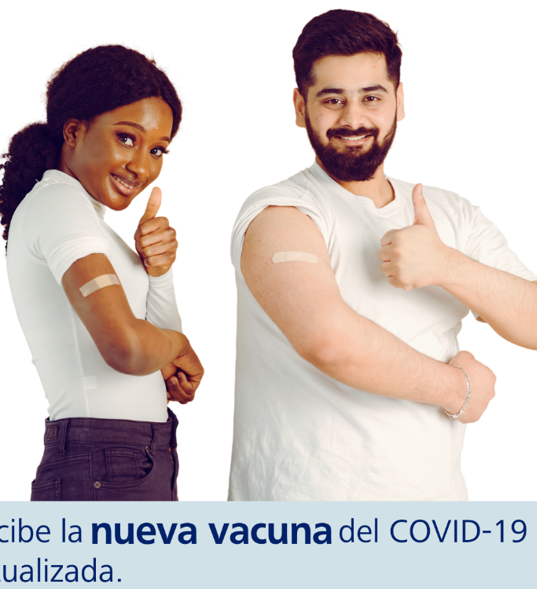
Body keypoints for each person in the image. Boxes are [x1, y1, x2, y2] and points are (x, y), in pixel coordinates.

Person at [229, 10, 536, 501]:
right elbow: (328, 341)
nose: (354, 119)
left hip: (433, 526)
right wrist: (460, 391)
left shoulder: (449, 211)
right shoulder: (279, 213)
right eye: (332, 100)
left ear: (399, 100)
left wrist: (447, 265)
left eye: (371, 97)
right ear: (299, 106)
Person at [0, 46, 202, 501]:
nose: (142, 166)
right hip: (106, 463)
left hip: (129, 459)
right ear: (74, 130)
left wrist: (158, 272)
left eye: (157, 150)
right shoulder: (58, 203)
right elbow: (127, 348)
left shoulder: (88, 223)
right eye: (126, 138)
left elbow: (162, 370)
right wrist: (179, 346)